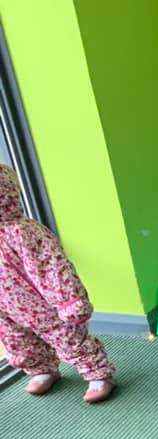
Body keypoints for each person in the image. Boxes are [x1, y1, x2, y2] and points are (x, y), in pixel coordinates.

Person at [0, 165, 115, 402]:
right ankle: (42, 369)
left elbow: (51, 267)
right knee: (18, 344)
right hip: (5, 309)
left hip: (40, 307)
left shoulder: (21, 232)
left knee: (69, 339)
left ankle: (98, 375)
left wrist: (69, 301)